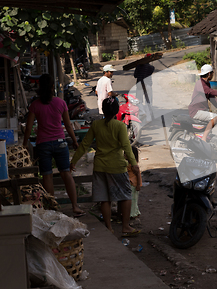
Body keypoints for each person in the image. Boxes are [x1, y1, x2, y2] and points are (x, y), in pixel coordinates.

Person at [70, 97, 140, 236]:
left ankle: (109, 227)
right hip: (117, 167)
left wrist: (74, 161)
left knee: (105, 198)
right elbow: (127, 147)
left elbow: (85, 144)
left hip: (100, 167)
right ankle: (125, 226)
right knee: (125, 196)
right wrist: (134, 164)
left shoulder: (96, 125)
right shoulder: (120, 126)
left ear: (103, 110)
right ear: (115, 111)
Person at [22, 74, 85, 217]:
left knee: (47, 176)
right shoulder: (60, 103)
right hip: (60, 143)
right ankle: (75, 206)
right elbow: (68, 125)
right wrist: (75, 141)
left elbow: (28, 127)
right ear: (52, 87)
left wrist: (25, 144)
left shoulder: (35, 105)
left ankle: (52, 208)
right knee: (66, 174)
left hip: (43, 144)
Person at [188, 64, 217, 141]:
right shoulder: (200, 83)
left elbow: (212, 99)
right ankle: (204, 138)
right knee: (215, 117)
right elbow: (210, 91)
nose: (212, 75)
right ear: (209, 74)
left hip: (202, 110)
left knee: (210, 129)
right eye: (212, 73)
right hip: (196, 111)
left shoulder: (206, 84)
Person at [126, 146, 142, 219]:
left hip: (133, 184)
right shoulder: (129, 163)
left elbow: (138, 174)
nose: (124, 155)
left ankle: (132, 214)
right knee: (133, 199)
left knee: (132, 200)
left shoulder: (133, 164)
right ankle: (135, 212)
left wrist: (138, 184)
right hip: (132, 183)